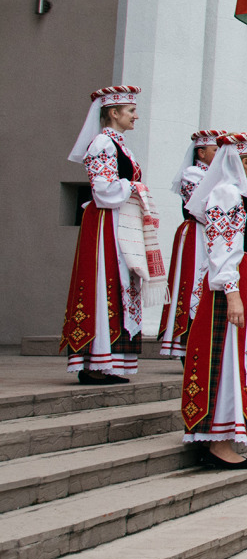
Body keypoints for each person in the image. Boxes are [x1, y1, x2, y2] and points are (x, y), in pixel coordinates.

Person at [180, 131, 247, 468]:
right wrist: (232, 294)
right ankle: (217, 442)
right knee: (227, 356)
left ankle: (228, 436)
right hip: (235, 284)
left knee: (242, 355)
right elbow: (221, 248)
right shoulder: (225, 195)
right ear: (243, 162)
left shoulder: (241, 195)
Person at [61, 85, 151, 384]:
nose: (135, 116)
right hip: (104, 222)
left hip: (118, 220)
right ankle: (94, 361)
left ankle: (108, 362)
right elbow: (103, 190)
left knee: (120, 283)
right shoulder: (102, 144)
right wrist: (135, 187)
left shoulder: (118, 144)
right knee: (105, 281)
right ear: (113, 113)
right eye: (131, 111)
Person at [158, 129, 222, 359]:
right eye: (215, 150)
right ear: (201, 152)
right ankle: (187, 338)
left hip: (215, 237)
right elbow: (200, 209)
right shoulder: (193, 174)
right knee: (194, 281)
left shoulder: (221, 176)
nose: (219, 155)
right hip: (198, 234)